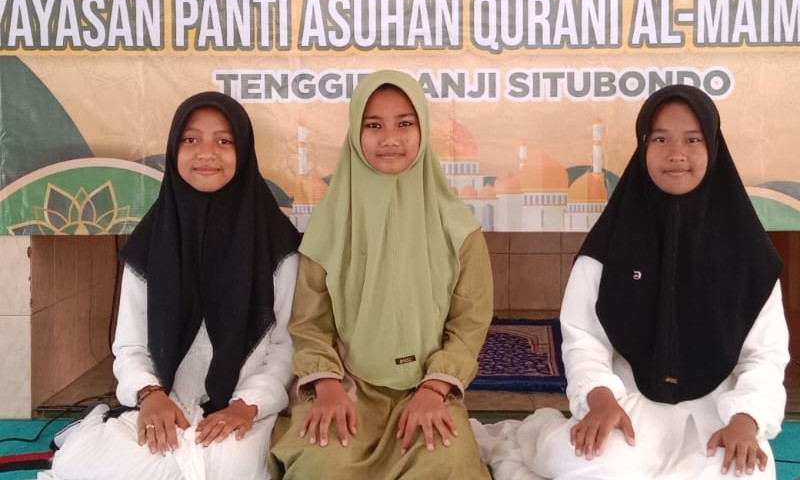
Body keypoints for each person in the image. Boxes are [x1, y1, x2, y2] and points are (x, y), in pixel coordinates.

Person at [473, 84, 790, 480]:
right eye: (660, 139)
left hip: (719, 412)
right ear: (643, 147)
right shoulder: (610, 246)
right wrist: (600, 398)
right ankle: (533, 435)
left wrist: (747, 418)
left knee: (745, 474)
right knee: (595, 466)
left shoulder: (747, 255)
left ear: (712, 147)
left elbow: (764, 356)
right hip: (628, 401)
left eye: (692, 140)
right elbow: (584, 339)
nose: (676, 153)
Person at [42, 91, 301, 480]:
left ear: (244, 152)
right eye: (191, 139)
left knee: (226, 466)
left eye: (224, 141)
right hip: (166, 402)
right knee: (83, 466)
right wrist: (150, 394)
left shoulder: (276, 244)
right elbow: (130, 345)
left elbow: (285, 345)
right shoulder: (152, 240)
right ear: (174, 149)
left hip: (243, 407)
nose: (206, 153)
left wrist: (248, 404)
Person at [270, 70, 493, 479]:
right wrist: (328, 385)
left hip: (427, 387)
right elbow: (309, 323)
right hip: (348, 384)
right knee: (322, 462)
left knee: (446, 462)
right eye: (374, 125)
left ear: (422, 130)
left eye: (404, 123)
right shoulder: (330, 225)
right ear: (356, 134)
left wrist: (435, 388)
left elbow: (469, 324)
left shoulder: (458, 228)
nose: (390, 138)